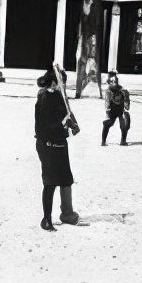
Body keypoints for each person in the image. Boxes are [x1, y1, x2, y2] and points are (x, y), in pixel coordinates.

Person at [35, 66, 80, 230]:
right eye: (60, 82)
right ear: (53, 82)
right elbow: (46, 125)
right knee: (50, 182)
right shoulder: (45, 97)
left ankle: (67, 213)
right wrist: (64, 125)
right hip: (48, 145)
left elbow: (66, 112)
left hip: (60, 144)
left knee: (66, 178)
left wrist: (72, 124)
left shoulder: (59, 97)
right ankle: (46, 219)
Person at [101, 71, 130, 146]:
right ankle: (103, 141)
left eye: (115, 81)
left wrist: (126, 107)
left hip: (121, 109)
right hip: (112, 110)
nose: (113, 83)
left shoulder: (122, 90)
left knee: (124, 124)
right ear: (108, 82)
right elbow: (107, 101)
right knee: (107, 124)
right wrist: (107, 111)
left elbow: (126, 99)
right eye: (111, 82)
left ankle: (123, 141)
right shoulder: (108, 91)